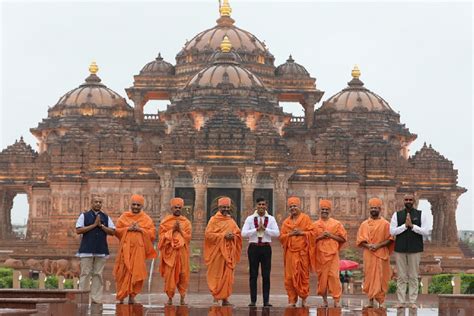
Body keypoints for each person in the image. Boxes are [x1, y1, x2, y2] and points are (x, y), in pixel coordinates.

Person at [113, 194, 157, 304]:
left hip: (139, 252)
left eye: (138, 205)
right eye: (134, 204)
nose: (136, 207)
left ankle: (132, 296)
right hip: (125, 251)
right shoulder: (124, 217)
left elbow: (152, 234)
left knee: (137, 273)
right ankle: (122, 296)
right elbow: (117, 231)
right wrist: (128, 228)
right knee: (123, 272)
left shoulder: (146, 219)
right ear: (130, 204)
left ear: (142, 206)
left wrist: (140, 229)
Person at [390, 193, 430, 309]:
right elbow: (392, 231)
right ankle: (401, 301)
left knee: (413, 276)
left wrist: (412, 226)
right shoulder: (396, 215)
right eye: (406, 199)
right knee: (401, 276)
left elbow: (426, 231)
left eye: (410, 200)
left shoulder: (420, 215)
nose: (408, 201)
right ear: (403, 201)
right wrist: (404, 226)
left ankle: (412, 301)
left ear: (414, 201)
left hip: (415, 249)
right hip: (400, 249)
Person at [75, 195, 115, 304]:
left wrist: (101, 226)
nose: (98, 204)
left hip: (101, 249)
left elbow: (112, 232)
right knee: (85, 273)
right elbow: (78, 230)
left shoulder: (106, 217)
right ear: (91, 203)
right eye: (96, 202)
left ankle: (96, 298)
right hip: (86, 249)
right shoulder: (84, 216)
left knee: (98, 274)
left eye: (100, 202)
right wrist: (94, 225)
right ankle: (82, 298)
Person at [241, 197, 280, 307]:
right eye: (259, 204)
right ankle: (253, 300)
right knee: (253, 275)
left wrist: (265, 229)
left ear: (266, 206)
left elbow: (277, 233)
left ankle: (266, 301)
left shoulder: (271, 219)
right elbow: (243, 233)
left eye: (263, 204)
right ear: (256, 206)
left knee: (266, 275)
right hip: (253, 248)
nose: (261, 206)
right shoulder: (250, 219)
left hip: (266, 248)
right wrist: (256, 229)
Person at [204, 197, 242, 306]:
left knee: (227, 276)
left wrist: (233, 236)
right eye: (223, 207)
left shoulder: (231, 221)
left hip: (229, 253)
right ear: (219, 207)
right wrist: (223, 235)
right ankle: (216, 297)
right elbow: (208, 235)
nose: (225, 209)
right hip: (217, 253)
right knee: (216, 275)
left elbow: (238, 233)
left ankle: (225, 299)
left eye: (227, 207)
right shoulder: (213, 220)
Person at [357, 197, 394, 308]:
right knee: (369, 276)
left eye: (376, 208)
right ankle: (370, 300)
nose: (374, 210)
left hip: (381, 253)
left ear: (380, 209)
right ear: (369, 209)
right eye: (372, 208)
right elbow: (359, 240)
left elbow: (390, 239)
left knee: (382, 277)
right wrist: (368, 245)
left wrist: (378, 245)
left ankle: (381, 301)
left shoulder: (385, 224)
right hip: (369, 253)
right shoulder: (364, 224)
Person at [279, 196, 316, 307]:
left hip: (302, 253)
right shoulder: (286, 222)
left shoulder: (306, 219)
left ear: (299, 207)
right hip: (290, 253)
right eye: (291, 206)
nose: (293, 208)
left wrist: (301, 233)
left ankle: (304, 298)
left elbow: (313, 233)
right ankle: (292, 299)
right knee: (290, 277)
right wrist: (290, 234)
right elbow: (281, 238)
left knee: (303, 276)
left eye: (295, 206)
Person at [313, 199, 347, 308]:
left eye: (326, 209)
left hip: (333, 255)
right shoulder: (314, 225)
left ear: (330, 211)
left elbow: (343, 238)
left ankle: (336, 300)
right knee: (322, 279)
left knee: (334, 277)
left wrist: (331, 236)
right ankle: (324, 301)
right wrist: (320, 237)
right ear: (320, 210)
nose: (324, 211)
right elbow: (310, 240)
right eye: (323, 209)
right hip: (320, 255)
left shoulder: (336, 224)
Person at [158, 197, 192, 306]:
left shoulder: (186, 222)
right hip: (170, 254)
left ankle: (182, 298)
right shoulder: (166, 221)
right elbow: (161, 237)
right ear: (171, 208)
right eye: (175, 207)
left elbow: (188, 238)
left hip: (182, 254)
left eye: (179, 207)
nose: (177, 209)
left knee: (183, 276)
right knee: (169, 277)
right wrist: (172, 230)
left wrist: (180, 230)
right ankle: (170, 298)